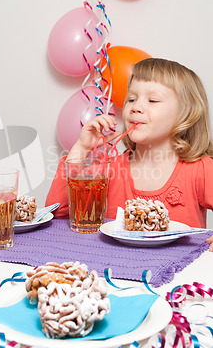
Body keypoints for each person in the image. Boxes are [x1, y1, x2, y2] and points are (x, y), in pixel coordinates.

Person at [46, 58, 213, 251]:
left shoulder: (200, 169)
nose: (135, 107)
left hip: (181, 274)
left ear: (186, 114)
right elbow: (58, 212)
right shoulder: (108, 169)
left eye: (153, 100)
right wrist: (81, 148)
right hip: (116, 270)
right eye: (132, 99)